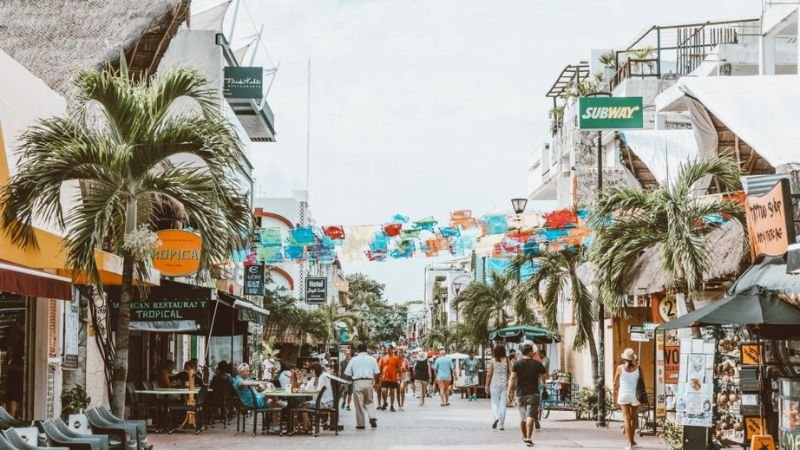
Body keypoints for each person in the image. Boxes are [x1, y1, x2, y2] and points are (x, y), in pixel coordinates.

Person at [507, 343, 548, 447]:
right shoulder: (537, 364)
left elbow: (512, 378)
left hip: (520, 394)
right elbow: (546, 376)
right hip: (533, 394)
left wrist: (509, 391)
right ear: (530, 352)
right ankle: (529, 438)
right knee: (531, 416)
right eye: (532, 352)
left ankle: (524, 436)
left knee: (523, 417)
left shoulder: (517, 364)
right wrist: (541, 377)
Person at [344, 343, 380, 430]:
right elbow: (377, 373)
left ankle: (361, 424)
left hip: (357, 382)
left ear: (358, 350)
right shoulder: (372, 359)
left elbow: (347, 374)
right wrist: (377, 383)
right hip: (369, 382)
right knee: (370, 401)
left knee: (359, 404)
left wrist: (350, 380)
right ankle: (372, 417)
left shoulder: (353, 360)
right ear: (366, 349)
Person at [614, 348, 644, 450]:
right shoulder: (638, 368)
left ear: (624, 358)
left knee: (626, 419)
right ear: (633, 359)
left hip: (623, 395)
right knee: (633, 418)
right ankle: (632, 441)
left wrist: (615, 393)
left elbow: (615, 383)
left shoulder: (619, 368)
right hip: (635, 395)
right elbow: (642, 382)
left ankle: (629, 444)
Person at [485, 345, 510, 430]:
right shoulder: (507, 360)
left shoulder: (493, 361)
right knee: (503, 404)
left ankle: (496, 417)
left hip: (494, 384)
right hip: (504, 384)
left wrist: (486, 385)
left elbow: (489, 374)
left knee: (494, 402)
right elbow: (511, 371)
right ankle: (502, 424)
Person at [4, 317, 24, 417]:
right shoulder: (30, 336)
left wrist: (6, 364)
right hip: (24, 370)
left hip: (15, 369)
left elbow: (9, 352)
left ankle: (11, 417)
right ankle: (18, 415)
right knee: (19, 394)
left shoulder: (14, 335)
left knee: (12, 395)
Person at [378, 346, 402, 411]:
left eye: (390, 349)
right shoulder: (383, 358)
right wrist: (379, 377)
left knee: (392, 392)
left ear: (392, 350)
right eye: (387, 349)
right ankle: (385, 402)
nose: (388, 350)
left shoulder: (396, 358)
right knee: (383, 391)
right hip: (384, 378)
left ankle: (391, 405)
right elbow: (379, 368)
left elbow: (399, 368)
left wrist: (399, 377)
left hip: (393, 378)